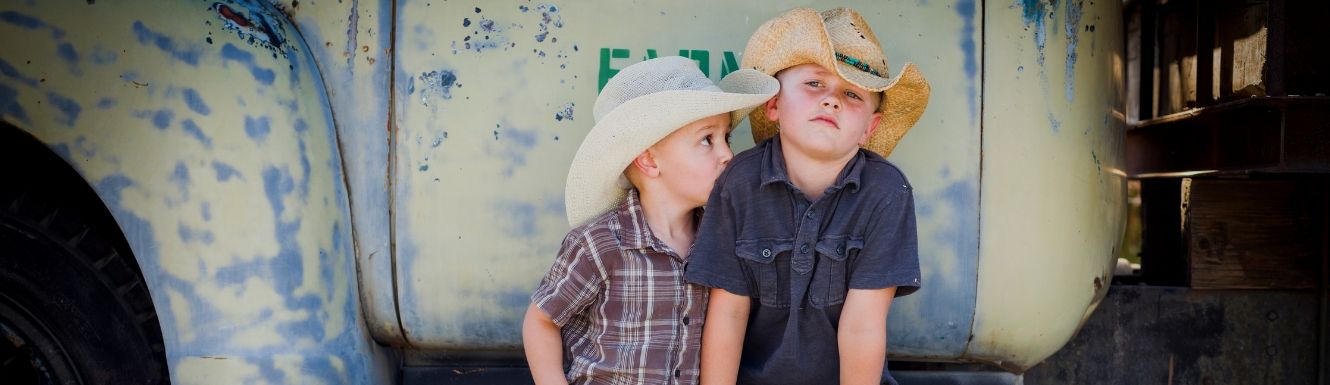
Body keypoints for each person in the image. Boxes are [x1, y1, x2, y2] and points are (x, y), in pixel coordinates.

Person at [683, 7, 931, 385]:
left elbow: (863, 324)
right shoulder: (739, 182)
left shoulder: (886, 191)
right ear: (774, 105)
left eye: (852, 94)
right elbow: (729, 311)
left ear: (870, 127)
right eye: (815, 84)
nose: (832, 100)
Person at [522, 56, 778, 385]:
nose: (727, 154)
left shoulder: (717, 240)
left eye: (725, 138)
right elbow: (542, 319)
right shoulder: (601, 244)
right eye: (707, 140)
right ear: (649, 161)